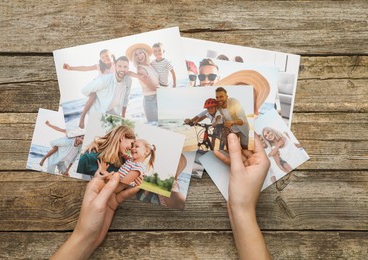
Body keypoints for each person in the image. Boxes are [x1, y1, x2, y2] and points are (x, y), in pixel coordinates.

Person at [53, 134, 271, 259]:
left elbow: (118, 181)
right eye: (131, 145)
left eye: (135, 146)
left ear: (146, 152)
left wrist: (84, 238)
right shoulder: (130, 162)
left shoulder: (137, 169)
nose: (132, 148)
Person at [78, 56, 132, 129]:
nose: (122, 69)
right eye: (119, 66)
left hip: (110, 110)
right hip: (97, 112)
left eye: (125, 67)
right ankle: (82, 117)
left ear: (128, 69)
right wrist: (94, 94)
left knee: (126, 128)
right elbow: (85, 90)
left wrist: (123, 116)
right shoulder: (103, 80)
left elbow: (126, 98)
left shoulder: (128, 80)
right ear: (115, 67)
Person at [126, 43, 160, 123]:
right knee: (156, 127)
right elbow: (152, 87)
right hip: (150, 101)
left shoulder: (150, 65)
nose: (139, 56)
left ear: (144, 53)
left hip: (159, 97)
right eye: (136, 54)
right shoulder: (140, 69)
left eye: (140, 53)